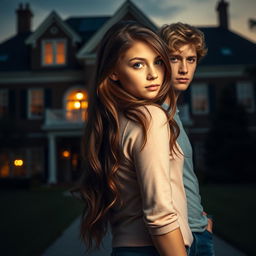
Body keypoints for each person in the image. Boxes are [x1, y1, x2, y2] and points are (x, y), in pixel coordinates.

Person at [73, 21, 193, 256]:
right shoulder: (150, 116)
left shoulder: (115, 120)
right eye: (137, 64)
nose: (153, 74)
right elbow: (159, 215)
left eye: (158, 61)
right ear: (114, 72)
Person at [159, 22, 215, 256]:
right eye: (174, 58)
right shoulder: (156, 116)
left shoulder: (174, 114)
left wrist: (203, 220)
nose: (184, 68)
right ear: (160, 62)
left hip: (199, 231)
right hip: (182, 240)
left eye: (190, 60)